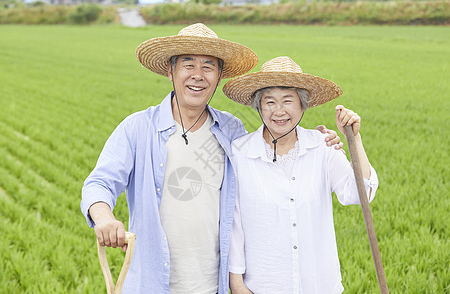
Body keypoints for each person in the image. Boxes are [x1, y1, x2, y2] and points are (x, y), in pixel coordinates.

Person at [80, 25, 342, 294]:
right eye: (188, 64)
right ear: (170, 71)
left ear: (218, 77)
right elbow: (100, 183)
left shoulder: (231, 131)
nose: (197, 75)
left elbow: (270, 164)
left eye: (208, 66)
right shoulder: (137, 128)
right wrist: (104, 218)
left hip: (212, 285)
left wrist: (319, 140)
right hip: (151, 284)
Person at [222, 56, 379, 294]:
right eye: (270, 102)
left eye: (288, 100)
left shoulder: (322, 147)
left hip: (319, 285)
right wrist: (236, 283)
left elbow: (361, 194)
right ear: (258, 106)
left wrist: (353, 139)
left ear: (303, 105)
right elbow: (233, 225)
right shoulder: (240, 153)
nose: (279, 111)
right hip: (263, 286)